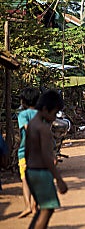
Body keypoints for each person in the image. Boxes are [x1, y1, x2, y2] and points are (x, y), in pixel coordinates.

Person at [25, 90, 68, 229]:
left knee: (41, 209)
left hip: (31, 170)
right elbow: (46, 156)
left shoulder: (31, 124)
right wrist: (59, 179)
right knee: (47, 210)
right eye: (54, 113)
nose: (54, 117)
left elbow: (26, 150)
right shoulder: (43, 129)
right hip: (41, 172)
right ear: (45, 109)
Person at [17, 87, 40, 218]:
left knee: (25, 179)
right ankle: (34, 206)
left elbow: (26, 128)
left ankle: (27, 206)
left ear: (23, 102)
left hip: (24, 152)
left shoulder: (23, 115)